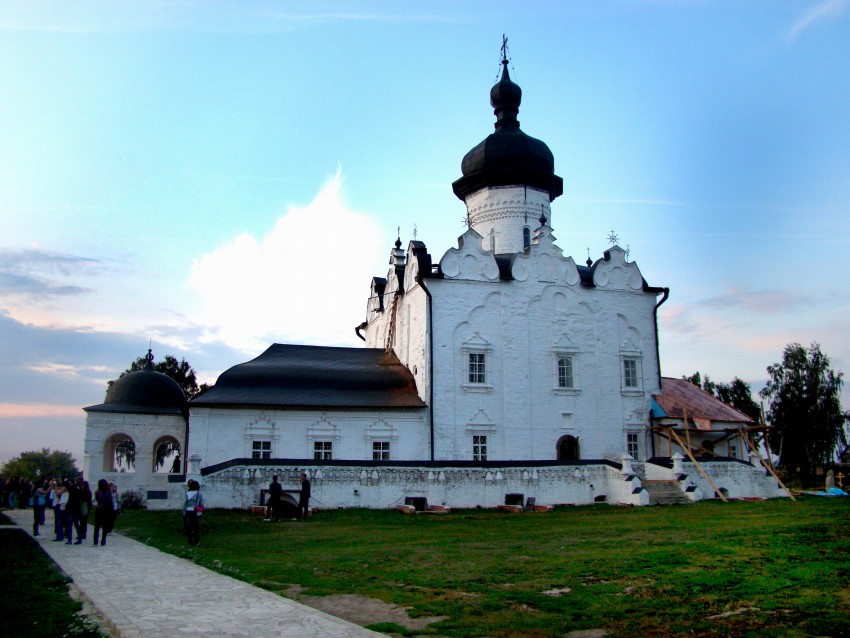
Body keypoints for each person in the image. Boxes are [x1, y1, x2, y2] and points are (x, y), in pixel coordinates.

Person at [92, 479, 115, 546]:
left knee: (97, 526)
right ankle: (103, 540)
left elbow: (97, 500)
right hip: (107, 510)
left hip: (99, 510)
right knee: (105, 526)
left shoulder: (97, 492)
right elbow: (110, 502)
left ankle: (95, 541)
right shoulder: (108, 492)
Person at [183, 479, 204, 546]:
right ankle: (196, 542)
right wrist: (200, 510)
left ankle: (190, 542)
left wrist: (184, 512)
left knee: (189, 527)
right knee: (196, 527)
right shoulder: (199, 494)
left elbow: (185, 504)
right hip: (196, 512)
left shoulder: (187, 493)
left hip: (188, 511)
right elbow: (202, 504)